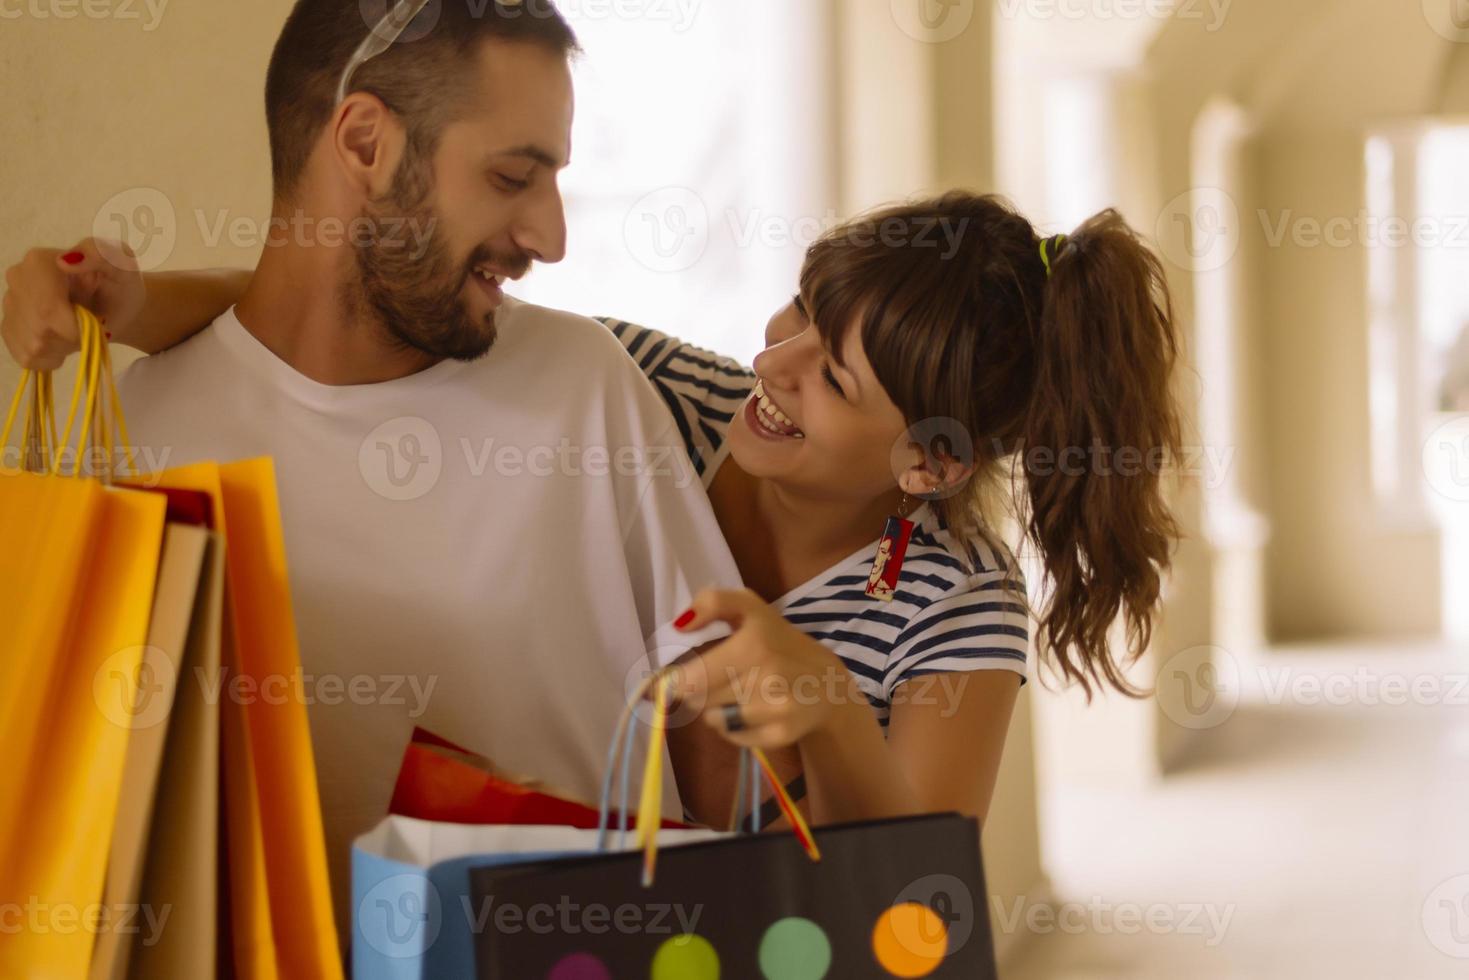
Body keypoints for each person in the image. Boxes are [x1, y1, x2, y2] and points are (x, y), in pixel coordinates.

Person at [5, 193, 1185, 834]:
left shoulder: (958, 601)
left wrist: (822, 705)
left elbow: (916, 900)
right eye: (795, 314)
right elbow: (338, 334)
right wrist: (130, 301)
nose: (771, 364)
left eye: (832, 378)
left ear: (928, 467)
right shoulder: (643, 393)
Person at [1, 0, 744, 924]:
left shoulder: (581, 385)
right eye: (513, 176)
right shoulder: (134, 435)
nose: (551, 237)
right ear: (364, 143)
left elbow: (725, 750)